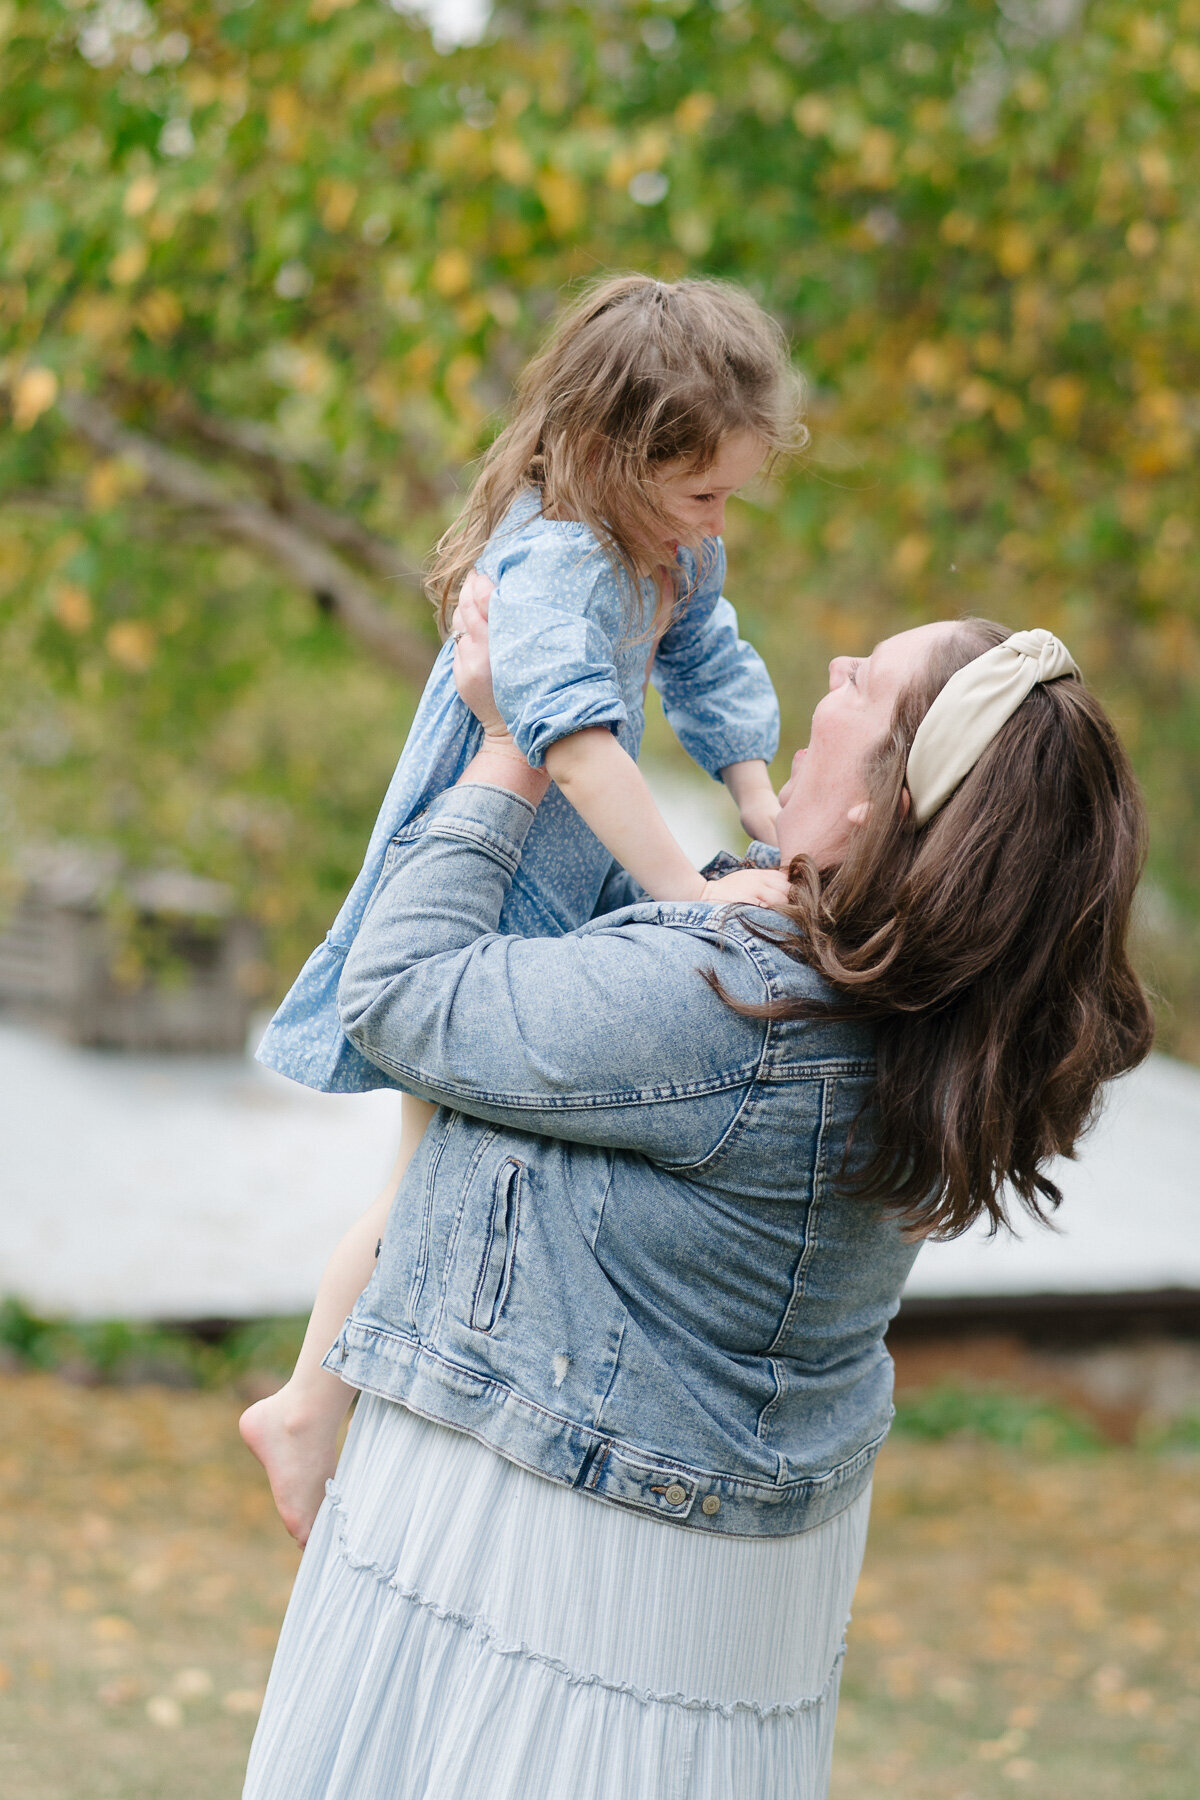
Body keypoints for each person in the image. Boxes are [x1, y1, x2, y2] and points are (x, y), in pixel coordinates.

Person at [241, 591, 1152, 1800]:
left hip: (545, 1582)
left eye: (861, 685)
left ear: (890, 803)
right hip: (719, 1617)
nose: (828, 671)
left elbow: (402, 994)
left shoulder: (736, 1003)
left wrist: (516, 745)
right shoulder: (923, 1012)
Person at [243, 274, 801, 1541]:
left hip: (570, 886)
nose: (717, 523)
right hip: (479, 889)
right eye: (703, 492)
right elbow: (577, 741)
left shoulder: (666, 548)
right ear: (615, 454)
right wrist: (686, 896)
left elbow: (713, 662)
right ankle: (306, 1401)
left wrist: (762, 811)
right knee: (426, 1165)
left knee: (447, 1165)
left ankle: (322, 1399)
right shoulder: (555, 559)